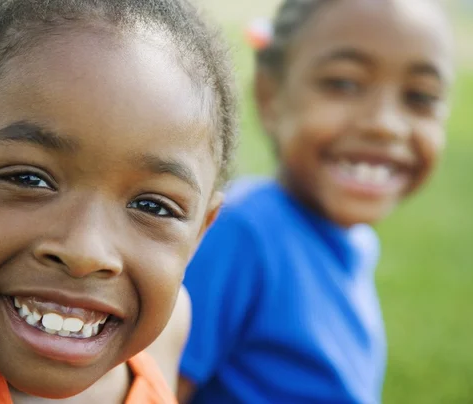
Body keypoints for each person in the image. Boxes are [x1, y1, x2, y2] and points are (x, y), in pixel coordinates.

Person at [0, 0, 238, 402]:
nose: (84, 252)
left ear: (198, 235)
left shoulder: (164, 335)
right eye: (29, 179)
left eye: (153, 206)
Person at [178, 0, 454, 403]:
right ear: (270, 95)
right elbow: (157, 386)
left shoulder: (353, 242)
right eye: (344, 83)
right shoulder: (242, 234)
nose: (384, 123)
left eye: (420, 97)